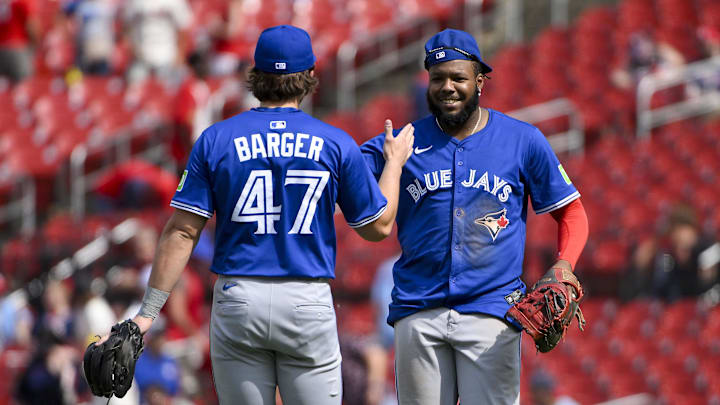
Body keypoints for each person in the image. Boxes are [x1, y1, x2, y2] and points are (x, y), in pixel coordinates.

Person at [96, 24, 414, 405]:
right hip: (305, 297)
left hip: (238, 297)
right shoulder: (335, 142)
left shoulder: (216, 138)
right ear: (310, 77)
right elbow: (378, 227)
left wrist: (145, 316)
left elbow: (182, 232)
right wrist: (393, 164)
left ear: (256, 75)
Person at [360, 29, 589, 405]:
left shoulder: (522, 140)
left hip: (492, 311)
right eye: (438, 78)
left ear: (480, 81)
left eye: (458, 78)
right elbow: (338, 170)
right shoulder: (403, 141)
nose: (447, 87)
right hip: (419, 310)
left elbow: (572, 212)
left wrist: (564, 264)